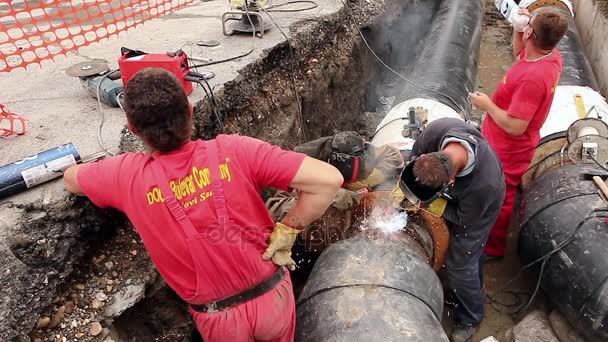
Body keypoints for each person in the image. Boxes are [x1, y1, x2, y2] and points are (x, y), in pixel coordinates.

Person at [63, 68, 344, 342]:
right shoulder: (236, 151)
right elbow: (328, 180)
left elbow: (71, 179)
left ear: (133, 129)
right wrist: (287, 230)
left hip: (219, 321)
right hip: (273, 301)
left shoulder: (125, 175)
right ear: (189, 109)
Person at [394, 118, 505, 342]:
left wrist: (429, 205)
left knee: (460, 263)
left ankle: (471, 316)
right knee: (468, 260)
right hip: (461, 195)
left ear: (451, 181)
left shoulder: (485, 185)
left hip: (478, 211)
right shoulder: (437, 131)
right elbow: (414, 154)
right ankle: (473, 281)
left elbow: (464, 218)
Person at [469, 8, 568, 258]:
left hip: (510, 146)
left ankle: (493, 248)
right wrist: (517, 28)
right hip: (499, 137)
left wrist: (488, 106)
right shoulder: (548, 56)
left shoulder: (532, 79)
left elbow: (515, 126)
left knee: (500, 193)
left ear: (532, 33)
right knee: (494, 187)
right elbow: (519, 53)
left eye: (529, 24)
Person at [265, 132, 404, 271]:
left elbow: (393, 155)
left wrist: (365, 183)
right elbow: (274, 207)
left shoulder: (357, 151)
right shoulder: (303, 167)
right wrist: (331, 195)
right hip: (311, 246)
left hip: (348, 235)